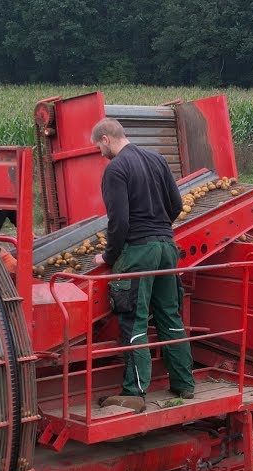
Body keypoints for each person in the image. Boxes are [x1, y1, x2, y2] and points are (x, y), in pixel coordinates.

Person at [89, 117, 194, 412]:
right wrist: (159, 229)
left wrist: (108, 256)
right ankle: (184, 384)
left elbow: (119, 221)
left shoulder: (116, 169)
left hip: (138, 252)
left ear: (106, 138)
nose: (100, 153)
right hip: (167, 249)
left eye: (98, 147)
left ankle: (134, 391)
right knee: (170, 315)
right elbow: (176, 204)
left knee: (133, 318)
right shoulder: (157, 159)